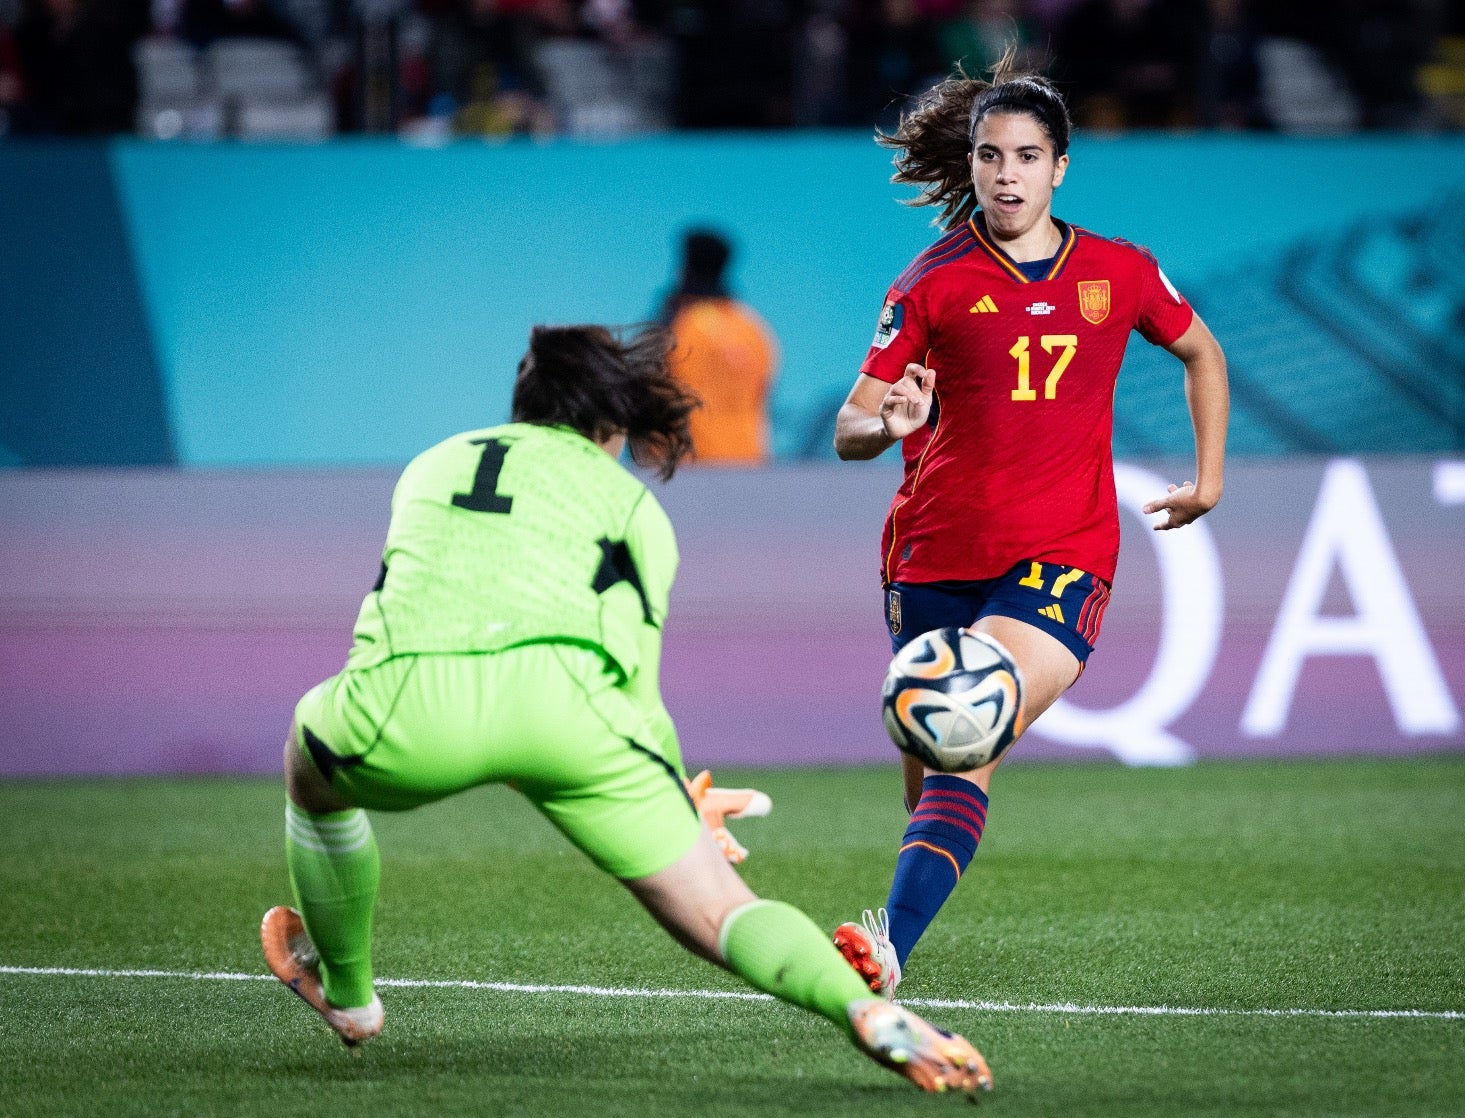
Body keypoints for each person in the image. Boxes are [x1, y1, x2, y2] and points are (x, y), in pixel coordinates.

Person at [259, 322, 991, 1096]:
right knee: (723, 910)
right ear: (613, 420)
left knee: (310, 775)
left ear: (524, 400)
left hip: (412, 709)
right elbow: (633, 686)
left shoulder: (434, 464)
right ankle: (864, 1010)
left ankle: (349, 995)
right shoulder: (637, 511)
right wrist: (677, 800)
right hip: (575, 718)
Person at [829, 54, 1228, 1000]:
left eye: (1027, 157)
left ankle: (888, 948)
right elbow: (849, 426)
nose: (1006, 175)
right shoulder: (929, 284)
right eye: (989, 156)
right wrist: (887, 427)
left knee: (968, 730)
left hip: (1062, 554)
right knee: (934, 776)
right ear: (970, 163)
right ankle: (904, 916)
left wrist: (1209, 481)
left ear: (1060, 168)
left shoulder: (1120, 272)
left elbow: (1202, 353)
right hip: (933, 556)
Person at [661, 229, 779, 465]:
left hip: (687, 464)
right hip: (748, 460)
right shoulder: (753, 328)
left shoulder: (678, 325)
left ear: (686, 269)